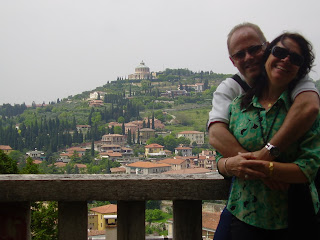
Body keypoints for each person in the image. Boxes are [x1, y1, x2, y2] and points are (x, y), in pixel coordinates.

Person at [208, 23, 320, 240]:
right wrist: (245, 167)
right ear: (232, 61)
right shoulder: (235, 98)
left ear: (266, 48)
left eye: (254, 49)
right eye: (240, 54)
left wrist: (264, 163)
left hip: (295, 213)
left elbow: (310, 110)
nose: (248, 57)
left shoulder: (294, 79)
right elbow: (216, 137)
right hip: (244, 212)